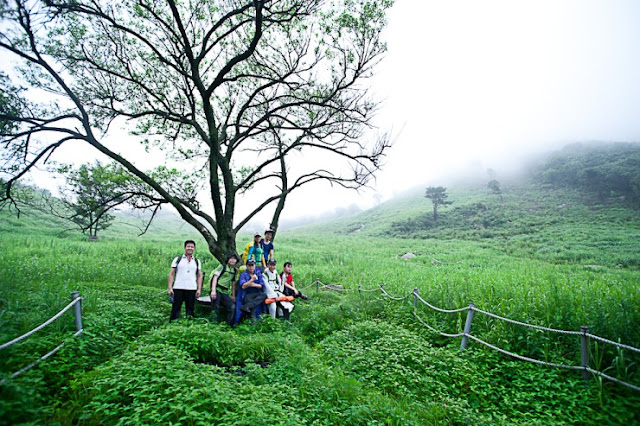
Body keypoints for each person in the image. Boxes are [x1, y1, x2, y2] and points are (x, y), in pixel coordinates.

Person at [168, 240, 203, 322]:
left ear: (194, 248)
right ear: (185, 248)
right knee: (176, 308)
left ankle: (189, 325)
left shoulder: (197, 261)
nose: (190, 248)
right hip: (178, 287)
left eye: (192, 247)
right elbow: (171, 274)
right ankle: (173, 325)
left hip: (191, 288)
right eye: (188, 246)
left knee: (190, 309)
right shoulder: (178, 259)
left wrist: (199, 289)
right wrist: (170, 288)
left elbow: (199, 275)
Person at [210, 253, 239, 326]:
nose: (233, 260)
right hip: (217, 288)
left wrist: (233, 295)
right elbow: (215, 277)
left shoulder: (234, 270)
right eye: (231, 258)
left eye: (234, 259)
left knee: (232, 307)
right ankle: (213, 325)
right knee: (215, 308)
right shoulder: (222, 267)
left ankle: (228, 325)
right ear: (228, 259)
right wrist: (213, 290)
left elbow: (233, 284)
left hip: (225, 291)